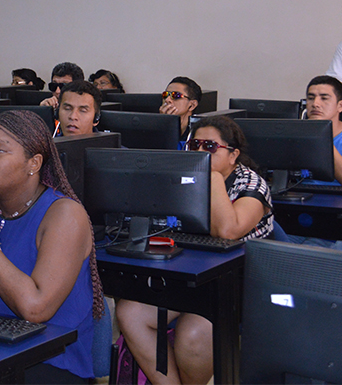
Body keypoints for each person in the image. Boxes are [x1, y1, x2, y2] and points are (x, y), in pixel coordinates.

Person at [116, 115, 271, 385]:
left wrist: (211, 177)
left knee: (192, 336)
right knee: (129, 312)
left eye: (209, 147)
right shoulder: (184, 178)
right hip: (190, 273)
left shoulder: (252, 184)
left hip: (238, 283)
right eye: (194, 145)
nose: (199, 152)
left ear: (233, 154)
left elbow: (228, 231)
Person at [0, 110, 104, 383]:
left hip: (49, 361)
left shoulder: (65, 215)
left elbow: (35, 309)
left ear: (33, 163)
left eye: (1, 151)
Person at [288, 75, 342, 249]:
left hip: (339, 220)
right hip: (301, 212)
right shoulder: (296, 133)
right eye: (311, 97)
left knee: (307, 259)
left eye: (324, 98)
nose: (316, 104)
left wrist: (323, 136)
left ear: (341, 106)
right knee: (267, 251)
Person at [159, 76, 202, 149]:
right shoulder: (155, 128)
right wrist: (163, 123)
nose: (167, 100)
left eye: (176, 95)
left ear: (192, 105)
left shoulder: (197, 134)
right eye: (165, 95)